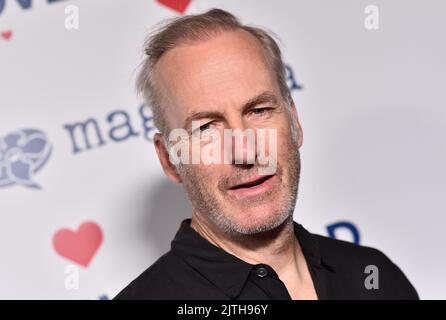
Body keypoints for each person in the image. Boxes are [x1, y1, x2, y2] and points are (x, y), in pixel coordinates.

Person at [114, 8, 418, 300]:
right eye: (206, 128)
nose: (245, 152)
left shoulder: (374, 275)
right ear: (170, 159)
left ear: (294, 122)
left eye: (259, 111)